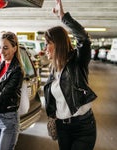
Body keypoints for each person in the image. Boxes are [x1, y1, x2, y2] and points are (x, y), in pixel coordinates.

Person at [43, 0, 97, 150]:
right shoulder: (54, 71)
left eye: (47, 43)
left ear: (58, 43)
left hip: (83, 127)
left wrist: (63, 17)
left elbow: (84, 39)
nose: (45, 48)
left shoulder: (77, 62)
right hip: (63, 128)